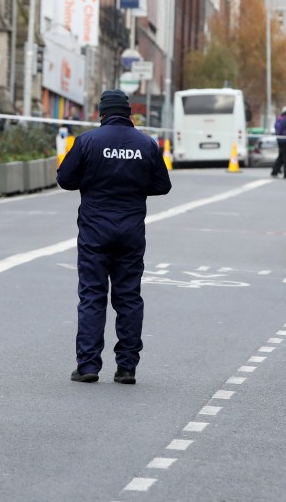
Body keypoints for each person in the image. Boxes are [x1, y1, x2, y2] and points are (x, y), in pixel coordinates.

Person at [56, 89, 172, 384]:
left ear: (101, 113)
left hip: (95, 230)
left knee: (93, 294)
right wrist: (135, 184)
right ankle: (127, 367)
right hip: (131, 231)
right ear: (129, 113)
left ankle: (88, 366)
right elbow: (163, 185)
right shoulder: (146, 144)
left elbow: (65, 179)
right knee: (129, 296)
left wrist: (92, 180)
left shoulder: (88, 141)